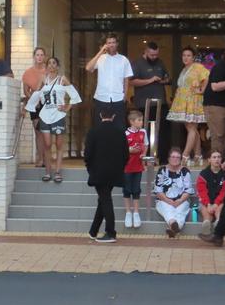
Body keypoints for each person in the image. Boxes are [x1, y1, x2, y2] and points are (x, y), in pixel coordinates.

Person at [25, 57, 82, 183]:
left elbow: (75, 95)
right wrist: (28, 107)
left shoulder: (62, 79)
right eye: (49, 63)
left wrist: (67, 108)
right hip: (45, 115)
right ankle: (47, 172)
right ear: (46, 66)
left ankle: (57, 172)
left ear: (57, 66)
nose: (51, 65)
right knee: (47, 144)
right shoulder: (43, 79)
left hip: (58, 116)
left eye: (54, 63)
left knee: (59, 145)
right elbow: (36, 94)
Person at [84, 108, 129, 243]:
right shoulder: (121, 132)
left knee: (105, 200)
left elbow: (87, 155)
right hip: (115, 172)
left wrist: (90, 169)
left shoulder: (93, 132)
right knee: (103, 199)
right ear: (114, 116)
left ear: (100, 115)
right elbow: (126, 155)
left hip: (98, 172)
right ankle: (93, 230)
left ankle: (111, 232)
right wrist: (119, 167)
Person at [129, 41, 171, 164]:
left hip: (160, 102)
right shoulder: (137, 63)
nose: (154, 57)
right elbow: (132, 81)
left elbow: (167, 78)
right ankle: (144, 157)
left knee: (163, 130)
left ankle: (163, 159)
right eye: (152, 55)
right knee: (143, 131)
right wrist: (150, 80)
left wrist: (164, 81)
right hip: (143, 104)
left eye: (156, 54)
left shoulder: (160, 62)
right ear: (146, 52)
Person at [167, 47, 209, 166]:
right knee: (192, 129)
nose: (185, 57)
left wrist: (202, 90)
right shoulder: (184, 69)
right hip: (182, 100)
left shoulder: (197, 67)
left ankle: (185, 156)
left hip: (193, 100)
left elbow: (207, 77)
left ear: (193, 57)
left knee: (191, 128)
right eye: (184, 55)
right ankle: (198, 155)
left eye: (188, 55)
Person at [85, 33, 133, 129]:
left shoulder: (124, 60)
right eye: (109, 43)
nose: (111, 45)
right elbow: (88, 68)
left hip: (118, 98)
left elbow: (126, 78)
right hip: (101, 97)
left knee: (119, 127)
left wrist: (125, 95)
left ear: (117, 44)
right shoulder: (100, 58)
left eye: (113, 42)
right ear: (105, 44)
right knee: (100, 127)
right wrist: (100, 52)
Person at [154, 147, 194, 238]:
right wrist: (168, 200)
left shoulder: (185, 171)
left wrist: (180, 200)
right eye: (173, 157)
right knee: (168, 209)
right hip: (163, 199)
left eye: (177, 157)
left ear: (180, 159)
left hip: (182, 200)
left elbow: (188, 190)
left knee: (180, 211)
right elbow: (158, 190)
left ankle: (173, 228)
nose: (175, 159)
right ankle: (174, 226)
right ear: (168, 158)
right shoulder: (162, 170)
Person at [123, 110, 149, 228]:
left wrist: (143, 154)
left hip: (138, 165)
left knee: (136, 189)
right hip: (127, 166)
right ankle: (128, 212)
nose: (141, 122)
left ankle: (136, 212)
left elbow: (146, 144)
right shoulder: (125, 133)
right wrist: (129, 150)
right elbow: (121, 148)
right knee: (127, 189)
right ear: (132, 122)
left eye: (141, 120)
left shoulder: (143, 132)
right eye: (139, 120)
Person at [22, 47, 47, 167]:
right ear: (34, 57)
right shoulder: (28, 73)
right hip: (35, 104)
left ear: (45, 57)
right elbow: (26, 91)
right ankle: (40, 158)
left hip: (47, 103)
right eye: (37, 55)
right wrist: (33, 100)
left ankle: (46, 158)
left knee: (46, 131)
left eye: (42, 55)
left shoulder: (48, 71)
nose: (40, 57)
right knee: (38, 132)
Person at [203, 49, 225, 156]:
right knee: (218, 135)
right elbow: (215, 86)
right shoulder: (220, 67)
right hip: (215, 105)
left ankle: (222, 165)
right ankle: (216, 167)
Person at [196, 150, 225, 235]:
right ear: (209, 160)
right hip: (206, 201)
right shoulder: (203, 174)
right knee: (205, 209)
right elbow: (202, 192)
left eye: (219, 157)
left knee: (221, 206)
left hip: (220, 202)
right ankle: (206, 223)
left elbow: (224, 192)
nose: (217, 159)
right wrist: (208, 204)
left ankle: (218, 222)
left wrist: (216, 204)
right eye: (214, 157)